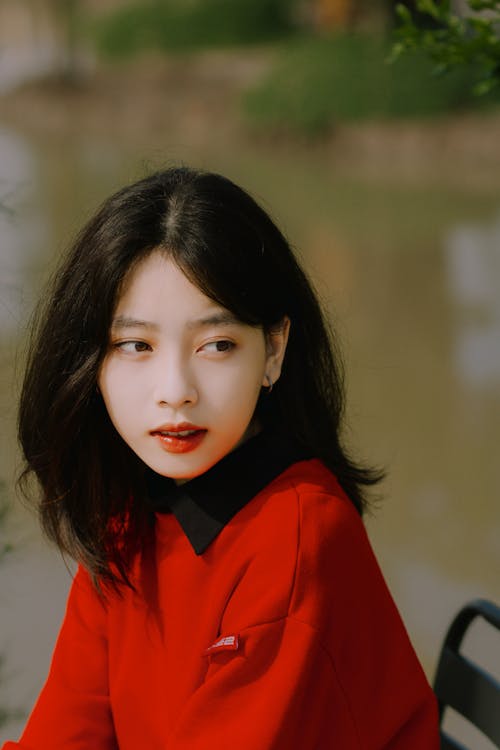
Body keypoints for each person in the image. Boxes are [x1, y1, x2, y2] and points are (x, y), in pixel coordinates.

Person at [3, 167, 440, 749]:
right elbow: (67, 729)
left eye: (217, 345)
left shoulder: (297, 544)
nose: (175, 389)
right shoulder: (129, 511)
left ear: (274, 350)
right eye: (137, 345)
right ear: (92, 364)